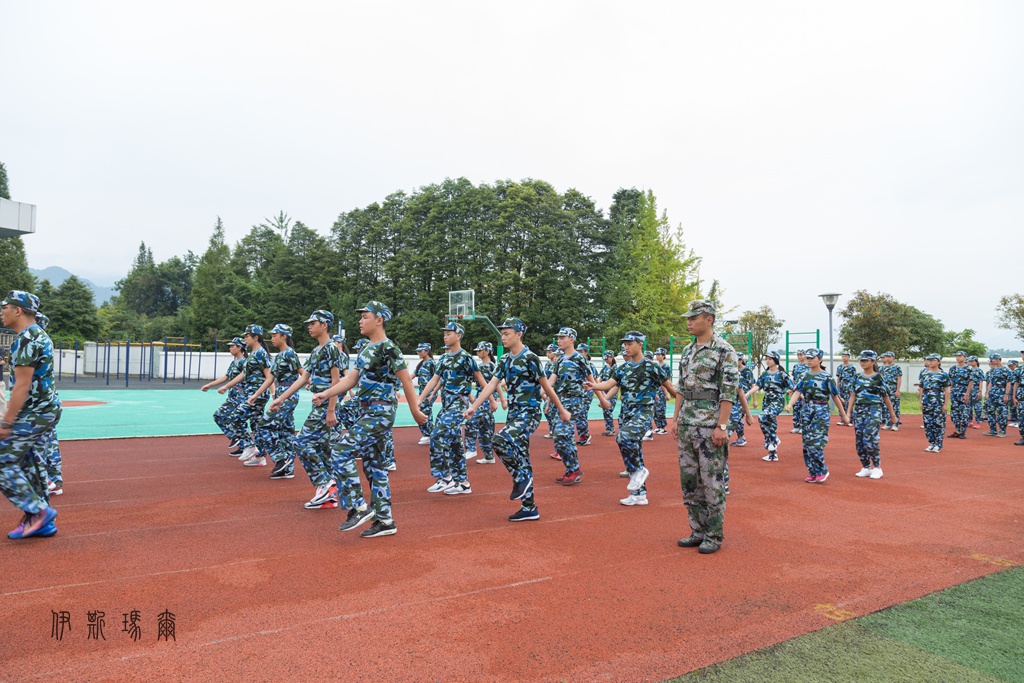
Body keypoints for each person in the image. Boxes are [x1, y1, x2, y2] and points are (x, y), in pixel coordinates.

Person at [312, 302, 427, 538]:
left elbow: (406, 380)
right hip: (366, 411)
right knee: (374, 466)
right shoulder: (366, 349)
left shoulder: (389, 348)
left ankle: (358, 506)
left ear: (379, 320)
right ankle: (385, 520)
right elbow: (351, 380)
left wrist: (415, 411)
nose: (360, 321)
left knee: (340, 450)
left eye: (365, 317)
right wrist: (327, 393)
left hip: (380, 411)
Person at [464, 318, 570, 522]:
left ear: (519, 334)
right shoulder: (505, 359)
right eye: (502, 334)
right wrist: (473, 407)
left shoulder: (530, 358)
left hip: (529, 414)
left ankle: (521, 479)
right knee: (522, 458)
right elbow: (491, 384)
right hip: (513, 414)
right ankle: (529, 508)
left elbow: (546, 386)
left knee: (499, 440)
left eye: (507, 333)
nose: (503, 337)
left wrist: (562, 409)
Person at [670, 300, 738, 555]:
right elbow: (681, 387)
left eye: (693, 317)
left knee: (712, 482)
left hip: (710, 425)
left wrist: (722, 425)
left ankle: (714, 534)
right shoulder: (688, 350)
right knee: (690, 482)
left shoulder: (724, 350)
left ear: (708, 319)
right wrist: (675, 419)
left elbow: (728, 392)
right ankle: (697, 530)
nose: (689, 322)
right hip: (687, 423)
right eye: (688, 318)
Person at [587, 331, 674, 506]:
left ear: (640, 345)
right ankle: (639, 494)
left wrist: (680, 408)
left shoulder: (652, 366)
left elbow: (671, 388)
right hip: (626, 412)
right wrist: (594, 385)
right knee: (635, 449)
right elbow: (610, 384)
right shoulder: (623, 368)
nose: (626, 347)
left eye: (630, 344)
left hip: (643, 412)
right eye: (625, 344)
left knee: (624, 438)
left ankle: (639, 470)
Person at [1, 291, 61, 539]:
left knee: (3, 459)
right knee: (32, 463)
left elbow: (21, 386)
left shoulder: (27, 339)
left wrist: (6, 422)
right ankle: (41, 523)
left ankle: (37, 513)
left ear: (18, 310)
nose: (2, 312)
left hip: (35, 413)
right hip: (46, 410)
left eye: (5, 307)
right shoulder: (38, 335)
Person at [419, 322, 488, 496]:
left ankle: (444, 476)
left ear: (458, 336)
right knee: (455, 444)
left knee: (437, 434)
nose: (445, 336)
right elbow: (434, 380)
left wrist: (492, 400)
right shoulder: (444, 358)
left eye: (449, 333)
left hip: (459, 403)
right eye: (444, 334)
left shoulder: (466, 357)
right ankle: (463, 483)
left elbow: (481, 380)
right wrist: (420, 399)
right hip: (446, 404)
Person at [783, 348, 849, 483]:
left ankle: (821, 470)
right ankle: (812, 472)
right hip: (807, 409)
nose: (809, 360)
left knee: (815, 442)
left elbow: (835, 396)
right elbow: (797, 391)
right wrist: (790, 404)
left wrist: (843, 415)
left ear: (820, 359)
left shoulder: (827, 377)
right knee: (806, 443)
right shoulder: (804, 376)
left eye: (812, 358)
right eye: (807, 358)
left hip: (821, 410)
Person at [550, 328, 604, 486]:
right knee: (560, 436)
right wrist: (542, 390)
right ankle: (572, 469)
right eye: (558, 338)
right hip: (561, 400)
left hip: (574, 400)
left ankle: (574, 469)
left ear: (571, 339)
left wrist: (602, 399)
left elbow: (591, 380)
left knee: (562, 434)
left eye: (562, 337)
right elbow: (552, 379)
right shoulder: (560, 359)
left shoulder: (579, 358)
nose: (559, 340)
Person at [247, 324, 302, 470]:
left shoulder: (290, 353)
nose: (271, 339)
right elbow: (270, 378)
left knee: (264, 425)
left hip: (289, 394)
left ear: (284, 337)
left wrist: (317, 389)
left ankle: (280, 458)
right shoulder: (279, 356)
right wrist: (256, 395)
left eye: (274, 335)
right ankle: (288, 469)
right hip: (281, 393)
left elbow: (302, 373)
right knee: (286, 430)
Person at [218, 325, 273, 463]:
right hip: (251, 394)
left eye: (247, 336)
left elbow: (269, 376)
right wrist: (226, 386)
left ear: (256, 337)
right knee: (256, 425)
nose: (245, 339)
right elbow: (243, 374)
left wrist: (272, 394)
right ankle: (260, 457)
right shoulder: (252, 354)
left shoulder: (260, 353)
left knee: (234, 418)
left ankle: (249, 445)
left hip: (257, 395)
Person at [848, 350, 898, 480]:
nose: (862, 363)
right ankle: (865, 467)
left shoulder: (878, 378)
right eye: (861, 360)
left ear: (873, 361)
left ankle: (877, 467)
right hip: (859, 411)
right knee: (860, 441)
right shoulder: (857, 377)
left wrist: (892, 415)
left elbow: (886, 397)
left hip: (873, 410)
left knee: (870, 439)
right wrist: (848, 413)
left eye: (865, 360)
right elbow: (853, 395)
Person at [203, 337, 247, 451]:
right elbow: (226, 376)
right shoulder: (234, 362)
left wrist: (226, 386)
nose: (230, 348)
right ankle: (243, 446)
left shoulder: (244, 362)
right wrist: (210, 385)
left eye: (232, 346)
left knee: (223, 416)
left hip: (240, 394)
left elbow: (242, 377)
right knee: (233, 419)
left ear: (239, 347)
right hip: (233, 394)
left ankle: (237, 439)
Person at [464, 341, 505, 464]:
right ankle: (489, 456)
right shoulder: (478, 366)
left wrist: (501, 400)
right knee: (485, 429)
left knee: (471, 420)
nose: (478, 353)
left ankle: (471, 448)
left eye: (480, 350)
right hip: (480, 397)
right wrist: (471, 396)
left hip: (488, 398)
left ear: (487, 351)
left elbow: (496, 384)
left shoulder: (492, 366)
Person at [750, 350, 794, 462]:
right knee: (769, 424)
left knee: (763, 416)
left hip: (777, 400)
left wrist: (793, 402)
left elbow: (793, 387)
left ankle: (773, 439)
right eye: (766, 359)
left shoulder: (782, 374)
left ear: (775, 360)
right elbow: (758, 386)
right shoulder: (764, 374)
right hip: (767, 400)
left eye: (770, 359)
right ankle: (773, 453)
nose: (767, 361)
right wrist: (747, 394)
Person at [918, 353, 951, 452]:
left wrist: (945, 404)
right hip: (926, 400)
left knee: (939, 423)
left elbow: (947, 390)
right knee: (928, 423)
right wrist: (921, 402)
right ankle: (931, 443)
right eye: (929, 360)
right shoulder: (924, 373)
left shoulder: (943, 374)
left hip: (938, 400)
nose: (930, 362)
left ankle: (938, 444)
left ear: (939, 362)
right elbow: (921, 388)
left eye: (933, 360)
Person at [982, 354, 1012, 438]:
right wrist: (987, 392)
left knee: (1002, 412)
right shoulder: (993, 370)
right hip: (993, 392)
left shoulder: (1007, 370)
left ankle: (1002, 431)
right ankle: (993, 430)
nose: (991, 361)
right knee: (990, 411)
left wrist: (1006, 394)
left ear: (998, 359)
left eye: (992, 359)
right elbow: (991, 382)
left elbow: (1008, 383)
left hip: (1001, 391)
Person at [413, 343, 437, 446]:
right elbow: (412, 375)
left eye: (421, 351)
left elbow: (437, 378)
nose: (419, 352)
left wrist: (434, 392)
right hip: (422, 391)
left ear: (427, 351)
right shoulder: (421, 364)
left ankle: (429, 434)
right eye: (418, 351)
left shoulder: (432, 363)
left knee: (425, 410)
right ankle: (427, 433)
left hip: (430, 391)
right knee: (423, 410)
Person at [729, 354, 755, 446]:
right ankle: (741, 437)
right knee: (738, 417)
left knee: (735, 415)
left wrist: (754, 400)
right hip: (734, 397)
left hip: (744, 396)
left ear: (741, 360)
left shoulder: (747, 371)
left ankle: (733, 435)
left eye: (738, 359)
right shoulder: (733, 370)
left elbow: (752, 385)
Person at [574, 342, 596, 446]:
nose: (579, 353)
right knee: (578, 413)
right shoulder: (576, 364)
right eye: (578, 351)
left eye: (581, 351)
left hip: (587, 392)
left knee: (581, 413)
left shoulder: (589, 365)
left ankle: (585, 435)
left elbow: (593, 380)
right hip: (578, 392)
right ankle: (583, 434)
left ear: (586, 352)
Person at [946, 351, 971, 440]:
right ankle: (957, 430)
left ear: (965, 357)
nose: (958, 358)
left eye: (960, 356)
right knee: (954, 413)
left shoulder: (969, 369)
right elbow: (951, 381)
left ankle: (963, 432)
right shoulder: (953, 368)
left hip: (964, 391)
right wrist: (950, 391)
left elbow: (971, 382)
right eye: (956, 356)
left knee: (964, 413)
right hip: (955, 392)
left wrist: (967, 394)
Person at [879, 352, 903, 431]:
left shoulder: (897, 367)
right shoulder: (882, 368)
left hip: (893, 389)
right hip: (885, 390)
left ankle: (895, 424)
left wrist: (898, 390)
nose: (887, 358)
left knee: (895, 407)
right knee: (886, 407)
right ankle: (888, 423)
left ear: (893, 357)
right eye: (886, 357)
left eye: (889, 357)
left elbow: (899, 379)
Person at [541, 344, 560, 439]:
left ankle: (556, 430)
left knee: (551, 410)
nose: (548, 354)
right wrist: (543, 394)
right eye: (547, 352)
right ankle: (553, 430)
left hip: (556, 391)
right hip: (549, 390)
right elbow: (545, 379)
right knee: (548, 410)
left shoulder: (559, 364)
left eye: (550, 352)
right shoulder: (548, 364)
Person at [598, 350, 619, 436]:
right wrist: (599, 384)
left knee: (608, 409)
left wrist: (603, 383)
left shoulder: (615, 368)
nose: (606, 360)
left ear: (612, 357)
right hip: (604, 391)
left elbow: (614, 382)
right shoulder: (605, 368)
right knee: (605, 409)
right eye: (605, 358)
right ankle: (608, 428)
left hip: (612, 391)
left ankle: (611, 429)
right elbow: (599, 379)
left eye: (607, 358)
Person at [789, 350, 809, 434]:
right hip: (796, 389)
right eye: (798, 355)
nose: (799, 356)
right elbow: (794, 379)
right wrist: (791, 389)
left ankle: (802, 427)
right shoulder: (796, 366)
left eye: (801, 355)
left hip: (804, 390)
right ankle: (796, 426)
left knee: (803, 409)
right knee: (796, 408)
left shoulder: (808, 366)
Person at [834, 352, 857, 426]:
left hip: (849, 387)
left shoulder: (852, 367)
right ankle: (842, 419)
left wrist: (852, 388)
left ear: (849, 357)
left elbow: (854, 378)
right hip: (841, 386)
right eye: (843, 356)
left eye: (846, 356)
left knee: (848, 403)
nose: (844, 358)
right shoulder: (840, 367)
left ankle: (849, 420)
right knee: (841, 402)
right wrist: (837, 387)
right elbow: (838, 378)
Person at [966, 356, 985, 428]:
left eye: (972, 361)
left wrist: (980, 391)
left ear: (976, 362)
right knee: (968, 406)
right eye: (969, 361)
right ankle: (969, 421)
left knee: (977, 406)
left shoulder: (979, 371)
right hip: (969, 389)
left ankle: (978, 421)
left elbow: (981, 381)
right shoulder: (968, 370)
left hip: (976, 388)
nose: (970, 363)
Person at [1006, 359, 1020, 427]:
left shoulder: (1019, 371)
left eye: (1011, 365)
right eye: (1009, 366)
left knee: (1018, 406)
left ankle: (1019, 421)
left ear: (1016, 365)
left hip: (1019, 389)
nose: (1010, 367)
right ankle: (1014, 420)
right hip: (1011, 389)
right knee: (1012, 405)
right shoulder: (1010, 372)